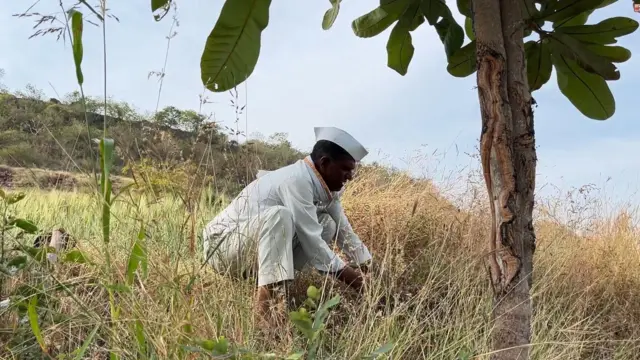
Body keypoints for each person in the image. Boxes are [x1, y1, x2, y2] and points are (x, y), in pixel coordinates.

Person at [202, 126, 373, 325]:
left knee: (327, 224)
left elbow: (345, 232)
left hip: (247, 250)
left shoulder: (327, 189)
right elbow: (313, 242)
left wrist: (370, 271)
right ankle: (266, 315)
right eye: (345, 169)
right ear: (325, 163)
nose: (350, 177)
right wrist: (357, 281)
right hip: (221, 247)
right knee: (279, 216)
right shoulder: (297, 179)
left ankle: (279, 289)